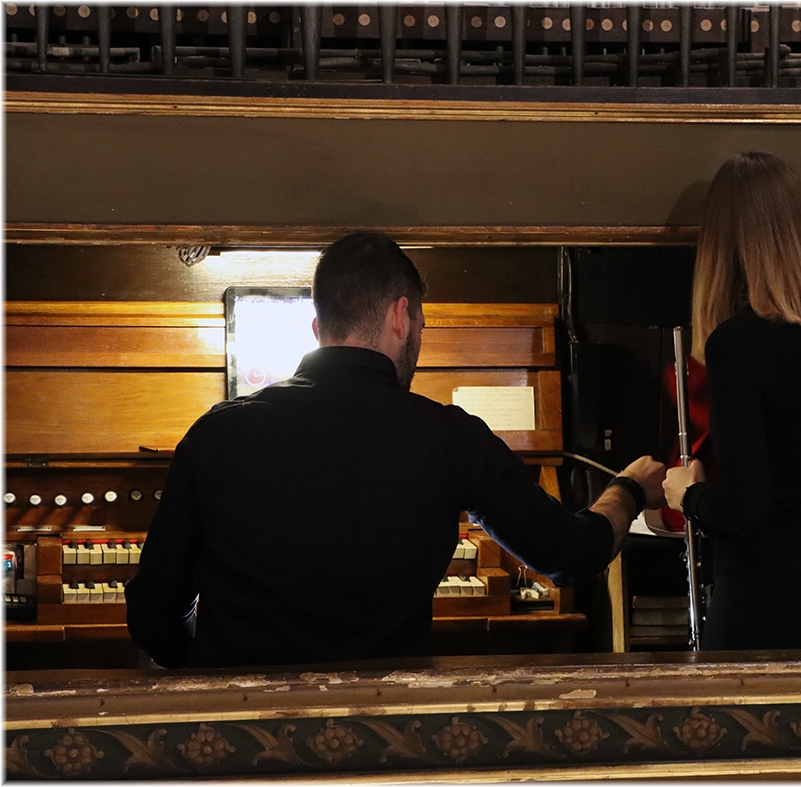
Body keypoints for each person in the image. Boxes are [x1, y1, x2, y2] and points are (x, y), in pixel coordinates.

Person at [126, 232, 666, 668]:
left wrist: (216, 673)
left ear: (317, 328)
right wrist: (628, 490)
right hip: (382, 733)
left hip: (241, 738)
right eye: (422, 326)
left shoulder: (216, 433)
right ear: (401, 316)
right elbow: (571, 555)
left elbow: (152, 617)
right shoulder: (449, 437)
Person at [662, 152, 801, 651]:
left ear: (721, 243)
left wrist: (687, 493)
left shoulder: (736, 344)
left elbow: (744, 509)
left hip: (762, 594)